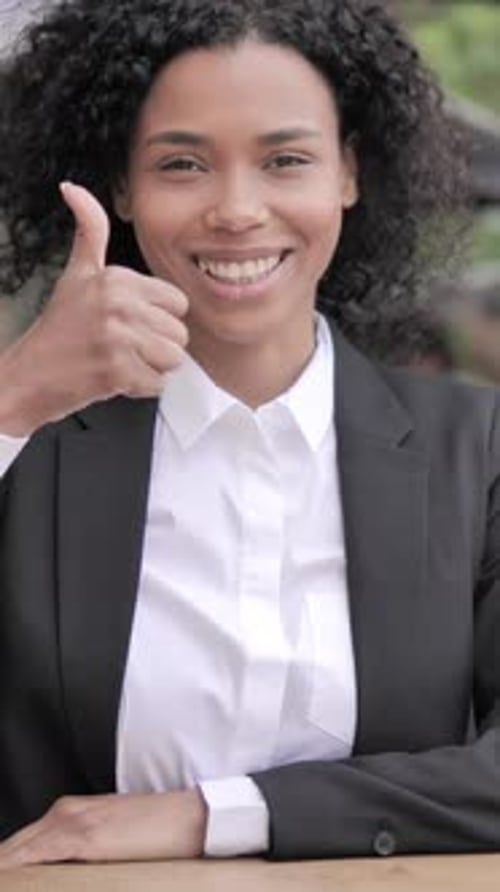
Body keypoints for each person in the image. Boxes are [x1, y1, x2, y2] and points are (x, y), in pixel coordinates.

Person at [0, 0, 497, 869]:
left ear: (349, 172)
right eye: (183, 162)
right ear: (121, 185)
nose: (237, 210)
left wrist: (210, 814)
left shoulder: (477, 450)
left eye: (286, 160)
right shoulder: (32, 439)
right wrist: (12, 401)